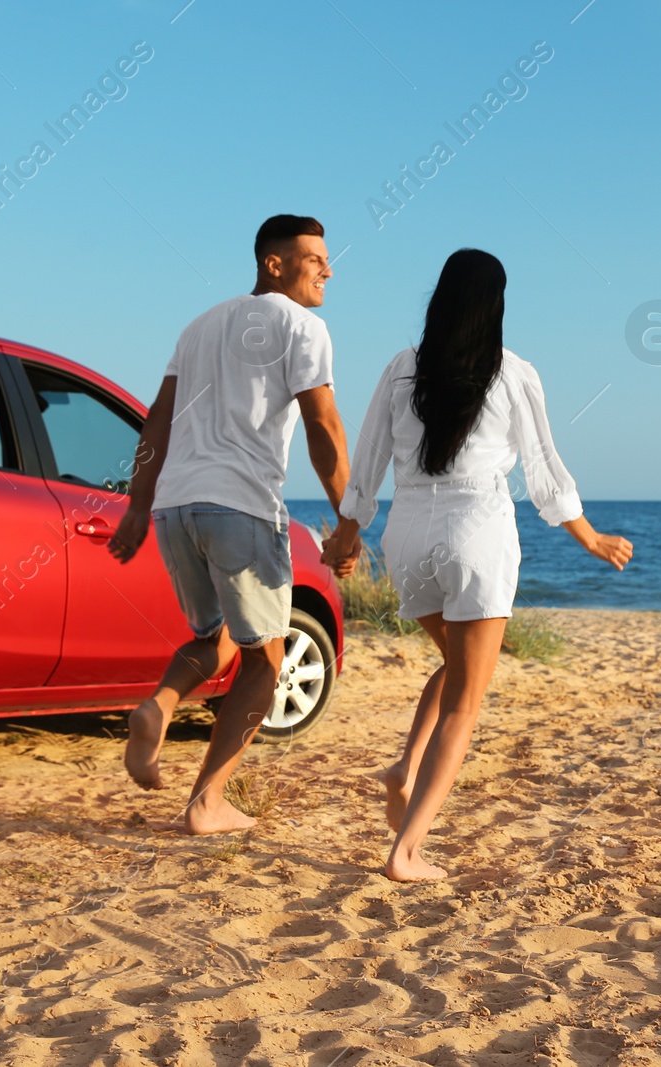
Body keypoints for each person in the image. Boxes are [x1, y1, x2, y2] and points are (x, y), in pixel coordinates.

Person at [321, 249, 632, 881]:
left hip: (406, 535)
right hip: (475, 530)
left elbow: (370, 459)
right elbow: (544, 470)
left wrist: (348, 535)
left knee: (456, 665)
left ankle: (404, 769)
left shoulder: (402, 367)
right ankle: (407, 852)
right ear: (496, 305)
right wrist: (589, 536)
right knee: (468, 696)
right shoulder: (512, 372)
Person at [109, 214, 358, 835]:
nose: (328, 269)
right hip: (243, 506)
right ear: (273, 264)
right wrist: (347, 519)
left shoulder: (198, 326)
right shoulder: (303, 326)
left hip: (177, 509)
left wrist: (140, 505)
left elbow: (156, 423)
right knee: (266, 664)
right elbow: (323, 427)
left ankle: (159, 704)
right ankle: (207, 803)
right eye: (314, 258)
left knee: (219, 633)